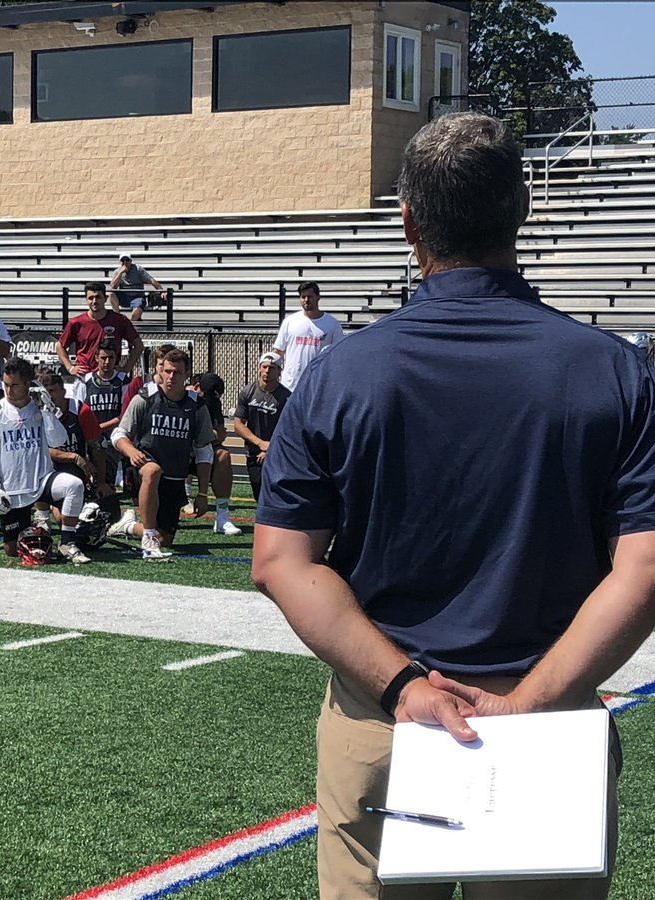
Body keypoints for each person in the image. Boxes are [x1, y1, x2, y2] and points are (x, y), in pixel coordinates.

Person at [250, 112, 655, 900]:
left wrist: (406, 688)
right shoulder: (616, 374)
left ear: (407, 220)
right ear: (521, 210)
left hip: (386, 718)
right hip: (550, 721)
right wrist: (529, 702)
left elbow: (280, 561)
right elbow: (644, 569)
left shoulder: (340, 374)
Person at [0, 357, 91, 564]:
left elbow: (59, 440)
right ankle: (35, 532)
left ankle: (67, 542)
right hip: (11, 490)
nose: (9, 390)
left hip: (42, 480)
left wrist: (47, 413)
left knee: (74, 485)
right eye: (6, 385)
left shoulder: (39, 408)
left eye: (15, 385)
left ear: (28, 384)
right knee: (12, 550)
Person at [108, 348, 214, 561]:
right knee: (153, 470)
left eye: (177, 372)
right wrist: (131, 451)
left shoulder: (196, 406)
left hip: (175, 475)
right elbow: (118, 433)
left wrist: (202, 494)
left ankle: (130, 526)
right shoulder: (146, 398)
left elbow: (204, 450)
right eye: (167, 371)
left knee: (165, 538)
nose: (171, 377)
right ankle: (147, 537)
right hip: (143, 468)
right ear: (160, 370)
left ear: (187, 374)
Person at [37, 372, 112, 528]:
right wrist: (74, 457)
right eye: (46, 392)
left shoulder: (81, 411)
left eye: (53, 391)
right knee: (36, 466)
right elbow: (43, 450)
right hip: (50, 469)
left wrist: (101, 482)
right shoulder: (37, 414)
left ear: (63, 391)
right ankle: (43, 516)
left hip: (76, 470)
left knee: (83, 518)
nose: (49, 396)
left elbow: (97, 446)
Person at [70, 340, 128, 518]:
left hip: (115, 438)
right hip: (90, 440)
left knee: (108, 481)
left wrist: (99, 427)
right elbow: (77, 411)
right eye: (103, 357)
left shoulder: (123, 382)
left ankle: (108, 513)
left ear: (116, 358)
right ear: (96, 358)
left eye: (111, 357)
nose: (107, 362)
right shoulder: (84, 381)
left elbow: (125, 415)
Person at [189, 372, 241, 535]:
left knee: (223, 456)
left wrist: (206, 436)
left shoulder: (213, 403)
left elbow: (219, 435)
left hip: (203, 449)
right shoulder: (184, 399)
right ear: (196, 388)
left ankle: (222, 517)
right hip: (179, 451)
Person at [232, 352, 290, 496]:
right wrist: (260, 443)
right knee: (258, 490)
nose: (267, 371)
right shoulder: (248, 392)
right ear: (259, 368)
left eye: (272, 368)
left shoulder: (287, 397)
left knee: (275, 493)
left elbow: (288, 429)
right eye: (264, 367)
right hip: (254, 453)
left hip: (277, 453)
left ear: (279, 371)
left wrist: (270, 447)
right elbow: (238, 425)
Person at [57, 281, 142, 376]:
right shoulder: (76, 322)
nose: (94, 301)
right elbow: (60, 346)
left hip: (111, 377)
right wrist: (70, 367)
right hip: (85, 376)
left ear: (105, 299)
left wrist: (126, 368)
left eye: (98, 297)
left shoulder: (119, 320)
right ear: (86, 300)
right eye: (90, 298)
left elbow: (138, 345)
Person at [271, 280, 344, 391]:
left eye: (310, 296)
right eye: (303, 297)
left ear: (318, 297)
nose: (306, 300)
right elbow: (278, 351)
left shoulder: (332, 324)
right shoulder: (290, 321)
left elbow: (338, 355)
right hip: (290, 386)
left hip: (318, 386)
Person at [109, 252, 166, 322]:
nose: (125, 262)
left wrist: (161, 291)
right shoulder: (117, 272)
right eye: (123, 261)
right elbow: (113, 287)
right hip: (124, 296)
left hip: (137, 296)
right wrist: (120, 273)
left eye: (127, 260)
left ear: (131, 261)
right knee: (111, 294)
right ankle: (118, 319)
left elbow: (151, 280)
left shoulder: (138, 269)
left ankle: (131, 324)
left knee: (138, 307)